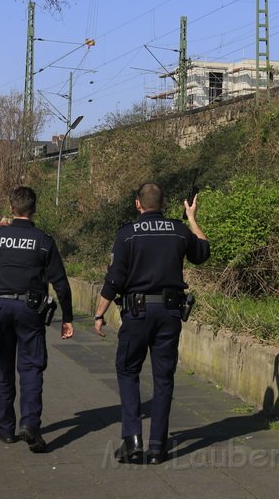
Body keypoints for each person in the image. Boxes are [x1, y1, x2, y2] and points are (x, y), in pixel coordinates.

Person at [93, 181, 210, 464]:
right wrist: (192, 219)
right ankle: (158, 446)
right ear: (163, 204)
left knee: (127, 369)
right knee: (163, 377)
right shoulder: (179, 230)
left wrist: (99, 314)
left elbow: (115, 279)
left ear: (138, 204)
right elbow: (203, 252)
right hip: (169, 314)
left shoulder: (127, 234)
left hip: (137, 313)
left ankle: (132, 439)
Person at [0, 185, 74, 453]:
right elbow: (60, 282)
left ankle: (6, 429)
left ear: (12, 208)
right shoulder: (44, 241)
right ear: (34, 209)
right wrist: (67, 318)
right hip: (30, 309)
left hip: (0, 308)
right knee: (31, 367)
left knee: (3, 366)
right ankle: (30, 425)